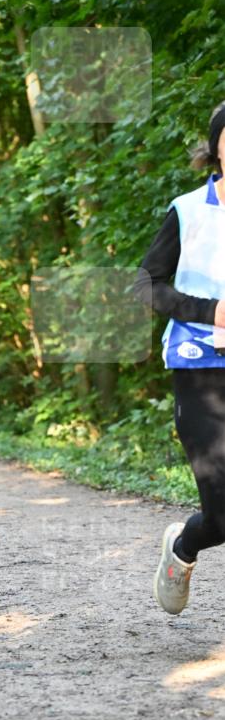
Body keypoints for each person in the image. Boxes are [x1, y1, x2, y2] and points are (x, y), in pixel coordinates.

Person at [138, 101, 225, 615]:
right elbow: (147, 285)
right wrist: (211, 311)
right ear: (216, 148)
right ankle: (184, 547)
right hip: (201, 369)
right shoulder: (188, 210)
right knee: (222, 513)